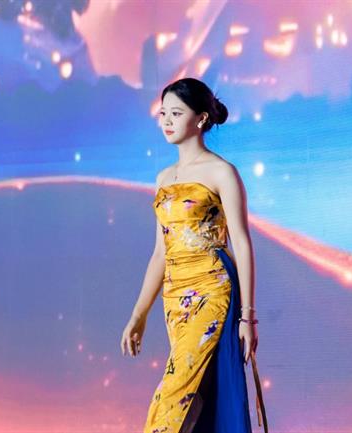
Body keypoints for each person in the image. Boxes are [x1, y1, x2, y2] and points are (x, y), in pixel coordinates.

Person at [120, 77, 267, 433]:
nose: (167, 121)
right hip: (174, 297)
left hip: (212, 290)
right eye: (163, 113)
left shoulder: (221, 172)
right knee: (196, 393)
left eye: (176, 113)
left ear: (200, 119)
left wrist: (248, 317)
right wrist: (139, 314)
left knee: (174, 394)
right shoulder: (163, 178)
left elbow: (241, 242)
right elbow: (160, 253)